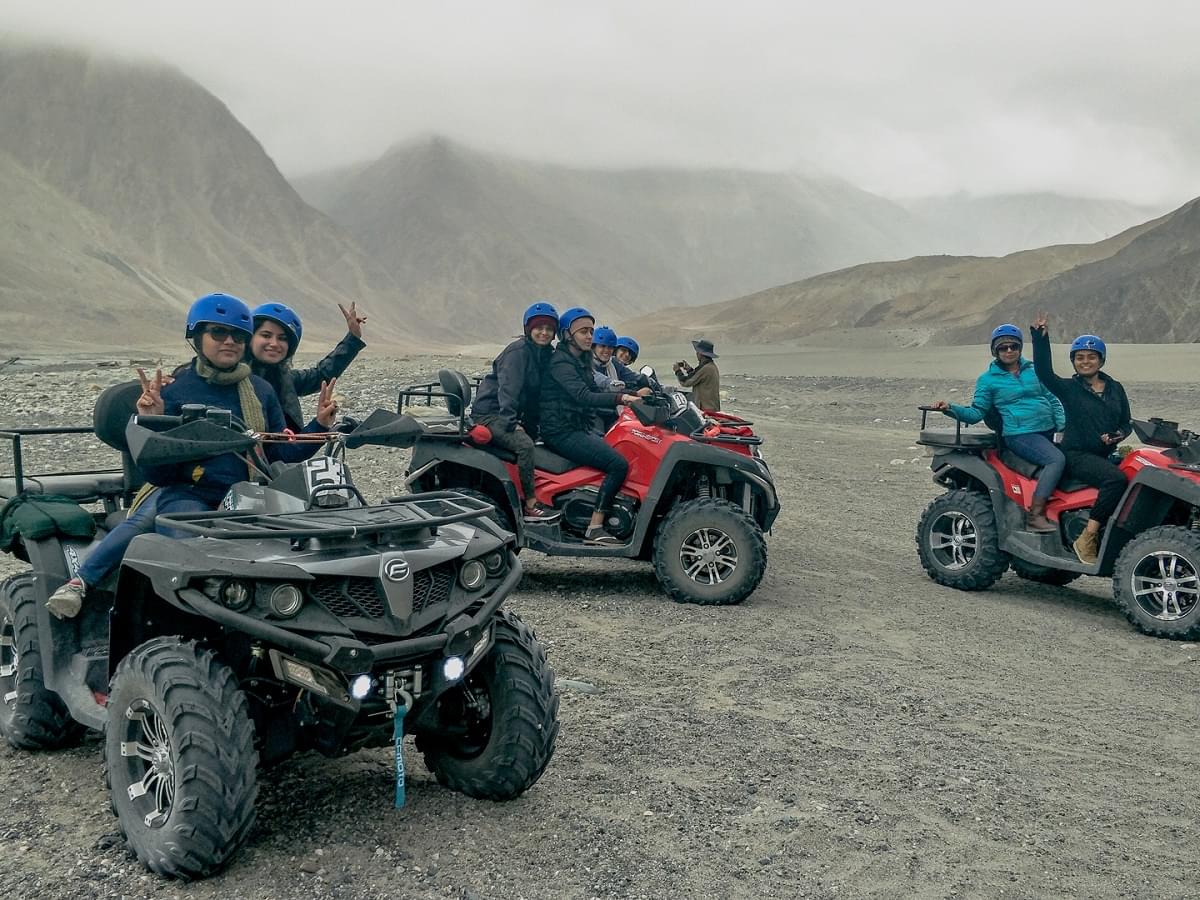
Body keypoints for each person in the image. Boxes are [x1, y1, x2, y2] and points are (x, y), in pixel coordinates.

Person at [47, 293, 337, 618]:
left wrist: (319, 425)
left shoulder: (260, 390)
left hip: (248, 495)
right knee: (193, 559)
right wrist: (152, 421)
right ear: (197, 338)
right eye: (218, 333)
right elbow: (161, 474)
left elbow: (278, 450)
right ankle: (83, 583)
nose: (229, 341)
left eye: (238, 335)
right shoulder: (176, 389)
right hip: (187, 494)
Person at [930, 324, 1067, 532]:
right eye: (1003, 347)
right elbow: (976, 413)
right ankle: (1035, 515)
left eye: (1014, 346)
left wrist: (1064, 427)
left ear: (1020, 347)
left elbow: (1053, 400)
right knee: (1056, 460)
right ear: (995, 350)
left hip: (1048, 430)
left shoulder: (1035, 371)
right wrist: (949, 408)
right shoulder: (988, 381)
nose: (1009, 351)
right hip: (1020, 434)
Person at [540, 307, 650, 544]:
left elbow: (599, 389)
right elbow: (583, 395)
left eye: (591, 331)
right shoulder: (561, 363)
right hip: (561, 430)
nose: (590, 336)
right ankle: (595, 527)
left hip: (577, 425)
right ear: (568, 334)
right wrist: (623, 398)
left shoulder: (580, 359)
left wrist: (635, 394)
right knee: (618, 464)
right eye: (583, 332)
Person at [1030, 313, 1132, 564]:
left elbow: (1126, 422)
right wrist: (1041, 339)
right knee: (1116, 480)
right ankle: (1088, 536)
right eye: (1079, 357)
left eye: (1091, 357)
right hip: (1077, 454)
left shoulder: (1115, 387)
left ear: (1101, 359)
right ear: (1074, 361)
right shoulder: (1069, 388)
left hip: (1105, 453)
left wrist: (1118, 435)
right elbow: (1044, 372)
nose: (1085, 362)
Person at [469, 302, 562, 522]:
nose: (544, 332)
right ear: (528, 329)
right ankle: (530, 504)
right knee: (524, 445)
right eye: (539, 327)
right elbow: (509, 389)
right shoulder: (518, 352)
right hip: (491, 413)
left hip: (509, 412)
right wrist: (511, 422)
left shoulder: (544, 353)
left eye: (549, 329)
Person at [248, 300, 366, 431]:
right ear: (250, 337)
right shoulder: (234, 383)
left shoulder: (285, 380)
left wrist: (352, 339)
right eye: (266, 335)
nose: (274, 343)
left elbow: (320, 374)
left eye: (282, 338)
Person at [592, 326, 650, 431]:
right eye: (602, 346)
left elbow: (633, 376)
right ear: (594, 346)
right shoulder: (586, 363)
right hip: (593, 411)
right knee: (600, 440)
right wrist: (634, 394)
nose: (606, 350)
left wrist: (651, 383)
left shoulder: (612, 363)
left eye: (610, 347)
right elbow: (604, 383)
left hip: (611, 409)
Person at [674, 339, 721, 411]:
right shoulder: (710, 366)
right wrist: (689, 369)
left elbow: (686, 382)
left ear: (701, 354)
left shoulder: (705, 368)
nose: (696, 354)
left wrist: (677, 371)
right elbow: (697, 378)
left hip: (706, 409)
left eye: (697, 352)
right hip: (712, 407)